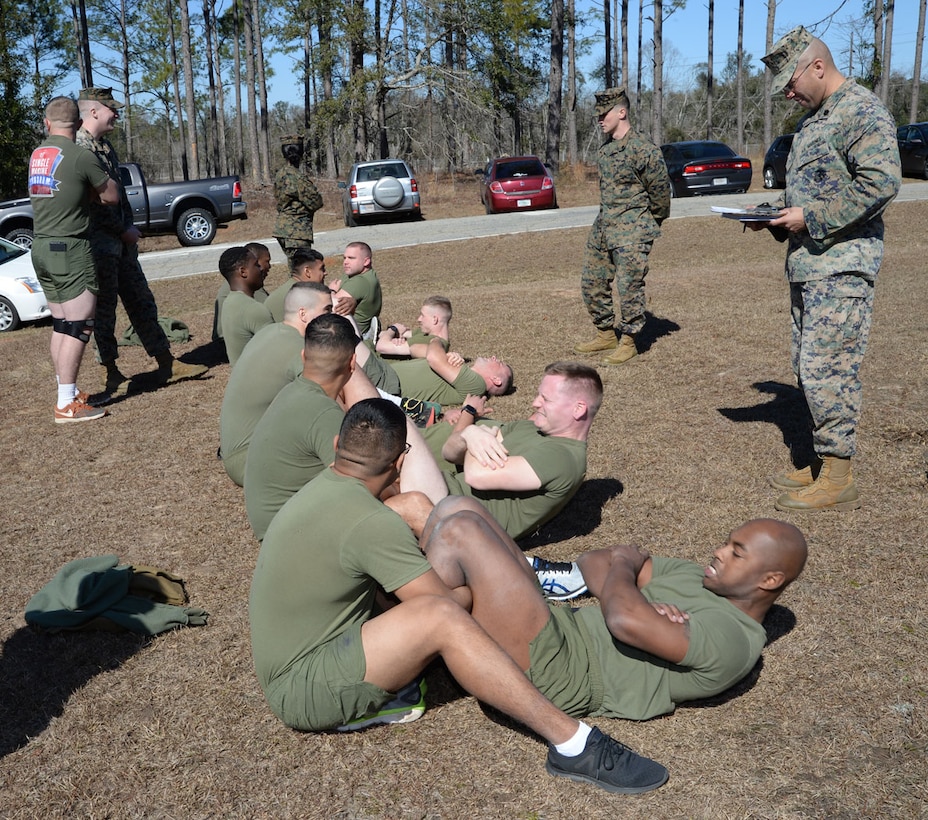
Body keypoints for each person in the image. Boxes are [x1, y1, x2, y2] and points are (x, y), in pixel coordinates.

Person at [249, 398, 670, 795]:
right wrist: (472, 587)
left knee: (448, 509)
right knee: (442, 617)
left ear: (339, 446)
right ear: (399, 462)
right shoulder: (370, 524)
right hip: (304, 689)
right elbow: (444, 606)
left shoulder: (321, 489)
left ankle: (523, 597)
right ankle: (573, 743)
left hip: (302, 658)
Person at [422, 503, 807, 725]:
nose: (719, 552)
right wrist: (625, 596)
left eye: (736, 552)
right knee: (458, 506)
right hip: (559, 625)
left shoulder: (733, 638)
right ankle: (419, 628)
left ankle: (409, 652)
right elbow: (592, 561)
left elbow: (623, 620)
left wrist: (624, 582)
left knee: (460, 530)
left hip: (566, 672)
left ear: (770, 579)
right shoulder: (695, 577)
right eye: (726, 542)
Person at [755, 26, 901, 511]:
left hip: (842, 267)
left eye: (791, 84)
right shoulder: (815, 120)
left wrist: (810, 217)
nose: (789, 94)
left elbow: (880, 184)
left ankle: (839, 476)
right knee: (807, 366)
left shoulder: (861, 110)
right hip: (809, 265)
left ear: (818, 66)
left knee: (829, 371)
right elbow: (813, 190)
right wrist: (776, 216)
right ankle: (821, 463)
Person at [75, 88, 208, 399]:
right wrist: (123, 230)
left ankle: (166, 363)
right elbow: (93, 204)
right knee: (104, 313)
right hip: (100, 247)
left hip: (122, 246)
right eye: (111, 109)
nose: (117, 115)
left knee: (142, 302)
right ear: (94, 111)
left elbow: (117, 197)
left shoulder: (104, 147)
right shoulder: (80, 150)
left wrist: (128, 230)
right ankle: (111, 373)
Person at [422, 362, 601, 540]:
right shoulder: (528, 427)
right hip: (440, 489)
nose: (535, 403)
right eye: (539, 395)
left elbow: (476, 476)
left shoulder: (562, 457)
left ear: (578, 409)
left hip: (453, 516)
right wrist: (471, 433)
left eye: (546, 399)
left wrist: (475, 437)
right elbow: (449, 452)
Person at [28, 96, 120, 423]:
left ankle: (65, 390)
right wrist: (93, 189)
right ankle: (66, 403)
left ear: (46, 123)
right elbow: (111, 195)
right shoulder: (80, 155)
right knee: (80, 325)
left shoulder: (38, 154)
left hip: (40, 246)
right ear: (79, 124)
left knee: (62, 324)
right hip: (70, 247)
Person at [574, 86, 671, 365]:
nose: (599, 119)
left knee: (629, 286)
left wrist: (647, 224)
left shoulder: (643, 148)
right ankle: (605, 333)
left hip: (633, 227)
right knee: (592, 280)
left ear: (622, 112)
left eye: (604, 114)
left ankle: (629, 340)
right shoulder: (605, 151)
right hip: (605, 225)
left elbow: (661, 194)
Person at [219, 282, 333, 486]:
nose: (332, 318)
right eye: (327, 310)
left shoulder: (269, 333)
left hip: (241, 454)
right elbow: (331, 399)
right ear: (303, 314)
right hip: (252, 460)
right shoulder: (297, 348)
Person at [389, 340, 512, 406]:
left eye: (499, 363)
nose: (494, 357)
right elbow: (414, 349)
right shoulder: (460, 370)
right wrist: (445, 355)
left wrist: (437, 341)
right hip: (383, 372)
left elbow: (432, 358)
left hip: (387, 382)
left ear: (496, 380)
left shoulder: (477, 385)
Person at [218, 246, 274, 367]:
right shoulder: (253, 309)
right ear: (243, 272)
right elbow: (279, 351)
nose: (261, 269)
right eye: (256, 265)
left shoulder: (230, 302)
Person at [273, 134, 323, 263]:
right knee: (302, 272)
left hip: (284, 230)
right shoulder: (297, 177)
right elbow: (315, 202)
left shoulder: (281, 174)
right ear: (301, 153)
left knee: (296, 270)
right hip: (297, 232)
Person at [212, 241, 271, 342]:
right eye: (257, 265)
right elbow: (269, 313)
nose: (267, 267)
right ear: (243, 271)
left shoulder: (233, 294)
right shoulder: (247, 293)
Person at [376, 295, 453, 358]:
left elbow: (382, 347)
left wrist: (392, 329)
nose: (419, 319)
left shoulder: (428, 341)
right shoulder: (426, 333)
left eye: (423, 315)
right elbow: (399, 333)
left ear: (434, 319)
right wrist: (394, 337)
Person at [263, 247, 326, 322]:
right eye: (322, 269)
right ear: (307, 271)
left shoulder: (284, 291)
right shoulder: (304, 296)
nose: (325, 273)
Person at [337, 241, 382, 338]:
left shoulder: (360, 281)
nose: (345, 262)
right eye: (344, 258)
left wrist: (332, 291)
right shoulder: (358, 274)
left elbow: (328, 306)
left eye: (351, 258)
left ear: (366, 261)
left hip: (351, 336)